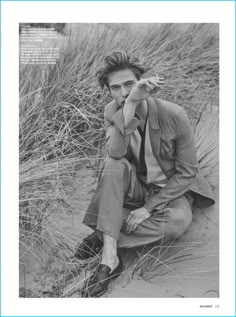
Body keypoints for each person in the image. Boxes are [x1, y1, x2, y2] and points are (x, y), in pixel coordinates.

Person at [75, 51, 215, 297]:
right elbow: (116, 153)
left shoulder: (173, 115)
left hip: (172, 191)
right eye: (115, 88)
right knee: (112, 164)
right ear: (109, 91)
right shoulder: (112, 112)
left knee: (177, 223)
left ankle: (103, 234)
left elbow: (187, 172)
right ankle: (110, 259)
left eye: (129, 84)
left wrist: (148, 208)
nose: (124, 92)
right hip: (136, 185)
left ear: (141, 81)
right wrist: (128, 107)